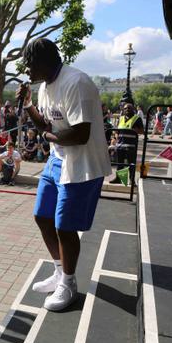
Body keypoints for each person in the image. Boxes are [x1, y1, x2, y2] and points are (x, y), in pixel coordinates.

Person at [19, 38, 111, 311]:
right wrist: (27, 106)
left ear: (44, 61)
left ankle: (69, 284)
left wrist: (48, 134)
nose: (27, 70)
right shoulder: (45, 87)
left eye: (29, 64)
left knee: (64, 226)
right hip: (57, 160)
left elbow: (81, 134)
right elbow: (47, 124)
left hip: (82, 164)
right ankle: (60, 272)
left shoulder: (77, 83)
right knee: (42, 216)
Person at [110, 103, 144, 184]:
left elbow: (142, 131)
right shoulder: (121, 118)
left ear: (133, 109)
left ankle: (132, 180)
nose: (127, 110)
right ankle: (119, 179)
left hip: (131, 146)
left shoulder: (137, 118)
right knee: (120, 164)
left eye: (129, 108)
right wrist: (115, 138)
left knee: (131, 164)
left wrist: (134, 130)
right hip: (120, 145)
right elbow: (116, 131)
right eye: (125, 108)